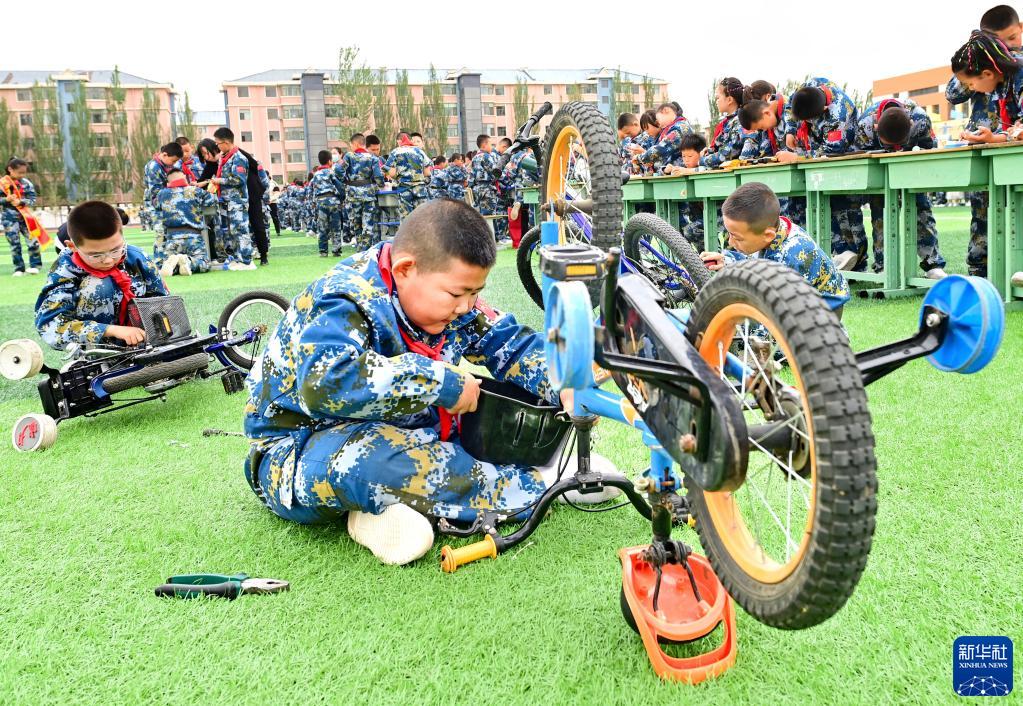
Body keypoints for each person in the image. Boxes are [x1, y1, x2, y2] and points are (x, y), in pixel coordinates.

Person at [242, 199, 581, 566]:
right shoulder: (343, 297)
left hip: (409, 435)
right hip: (298, 452)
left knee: (474, 419)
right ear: (405, 269)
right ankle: (545, 485)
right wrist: (440, 382)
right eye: (457, 294)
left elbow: (510, 345)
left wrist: (566, 380)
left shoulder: (445, 297)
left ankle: (380, 512)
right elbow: (326, 382)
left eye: (475, 293)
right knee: (370, 462)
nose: (467, 307)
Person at [35, 201, 168, 350]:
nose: (108, 260)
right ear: (73, 247)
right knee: (98, 285)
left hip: (146, 343)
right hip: (99, 353)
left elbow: (164, 302)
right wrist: (109, 330)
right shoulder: (64, 270)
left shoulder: (137, 257)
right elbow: (51, 326)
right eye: (96, 255)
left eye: (115, 250)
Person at [701, 182, 849, 315]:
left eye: (737, 237)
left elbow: (774, 310)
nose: (731, 242)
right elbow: (758, 264)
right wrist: (727, 260)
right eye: (729, 234)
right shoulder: (773, 230)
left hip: (822, 310)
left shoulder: (793, 255)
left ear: (767, 235)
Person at [854, 99, 947, 279]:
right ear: (875, 127)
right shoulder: (865, 124)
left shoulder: (920, 120)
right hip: (880, 170)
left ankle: (932, 264)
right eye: (888, 144)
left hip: (911, 167)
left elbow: (931, 147)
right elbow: (861, 155)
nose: (893, 148)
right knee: (880, 215)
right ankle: (883, 265)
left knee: (922, 210)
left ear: (911, 125)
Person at [786, 77, 865, 270]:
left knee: (847, 212)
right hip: (817, 163)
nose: (807, 123)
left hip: (845, 162)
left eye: (809, 121)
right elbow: (791, 105)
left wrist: (798, 157)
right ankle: (838, 259)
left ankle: (857, 265)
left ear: (822, 111)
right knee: (826, 211)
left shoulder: (839, 113)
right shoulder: (810, 88)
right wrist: (791, 129)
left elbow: (833, 149)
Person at [154, 169, 218, 276]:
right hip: (193, 237)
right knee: (204, 263)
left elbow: (157, 207)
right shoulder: (195, 191)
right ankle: (188, 261)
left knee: (167, 265)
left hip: (172, 238)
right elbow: (212, 201)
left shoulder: (161, 194)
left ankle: (174, 264)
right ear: (183, 177)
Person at [210, 127, 257, 270]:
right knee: (232, 232)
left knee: (240, 230)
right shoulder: (225, 158)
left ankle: (247, 261)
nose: (217, 147)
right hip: (227, 201)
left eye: (217, 144)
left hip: (237, 201)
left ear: (225, 142)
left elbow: (239, 179)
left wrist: (219, 181)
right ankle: (238, 258)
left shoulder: (238, 158)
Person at [339, 132, 385, 251]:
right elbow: (379, 177)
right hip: (368, 194)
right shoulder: (373, 158)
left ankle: (359, 249)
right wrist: (380, 185)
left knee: (356, 224)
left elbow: (338, 172)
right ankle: (366, 250)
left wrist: (346, 181)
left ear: (354, 144)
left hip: (353, 194)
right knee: (368, 224)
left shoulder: (349, 156)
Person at [143, 142, 184, 267]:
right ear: (165, 155)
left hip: (167, 203)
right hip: (156, 205)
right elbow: (156, 193)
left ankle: (168, 260)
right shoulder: (153, 167)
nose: (174, 164)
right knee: (161, 232)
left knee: (169, 233)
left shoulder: (165, 165)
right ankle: (159, 263)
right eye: (173, 160)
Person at [700, 77, 754, 168]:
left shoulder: (739, 121)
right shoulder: (729, 122)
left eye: (718, 97)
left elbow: (727, 154)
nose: (716, 101)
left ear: (729, 100)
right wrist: (708, 151)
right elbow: (719, 145)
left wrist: (699, 161)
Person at [2, 157, 42, 276]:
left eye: (24, 172)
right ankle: (19, 268)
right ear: (10, 169)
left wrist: (21, 202)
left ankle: (35, 266)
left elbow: (32, 199)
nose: (22, 175)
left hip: (26, 218)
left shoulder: (26, 183)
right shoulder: (2, 184)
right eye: (20, 172)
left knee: (33, 241)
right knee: (14, 244)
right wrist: (6, 199)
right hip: (9, 219)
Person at [630, 102, 693, 171]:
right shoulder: (674, 127)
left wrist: (640, 158)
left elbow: (661, 148)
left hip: (679, 171)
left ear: (665, 111)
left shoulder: (679, 128)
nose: (658, 123)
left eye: (658, 119)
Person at [385, 132, 432, 220]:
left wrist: (398, 177)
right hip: (420, 189)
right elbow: (427, 173)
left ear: (399, 141)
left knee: (406, 218)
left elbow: (391, 173)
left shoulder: (395, 152)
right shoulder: (420, 151)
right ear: (410, 140)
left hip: (404, 189)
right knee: (422, 217)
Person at [311, 149, 346, 256]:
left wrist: (314, 203)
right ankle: (336, 250)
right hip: (333, 201)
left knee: (322, 228)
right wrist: (342, 198)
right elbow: (339, 186)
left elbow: (313, 190)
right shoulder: (331, 172)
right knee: (335, 227)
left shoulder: (316, 175)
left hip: (321, 202)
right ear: (330, 161)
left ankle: (323, 251)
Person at [468, 135, 504, 240]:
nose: (492, 147)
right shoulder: (487, 156)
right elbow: (495, 172)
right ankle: (493, 238)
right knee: (490, 215)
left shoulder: (474, 158)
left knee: (482, 215)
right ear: (484, 145)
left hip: (477, 189)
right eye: (490, 144)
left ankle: (484, 238)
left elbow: (471, 177)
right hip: (487, 189)